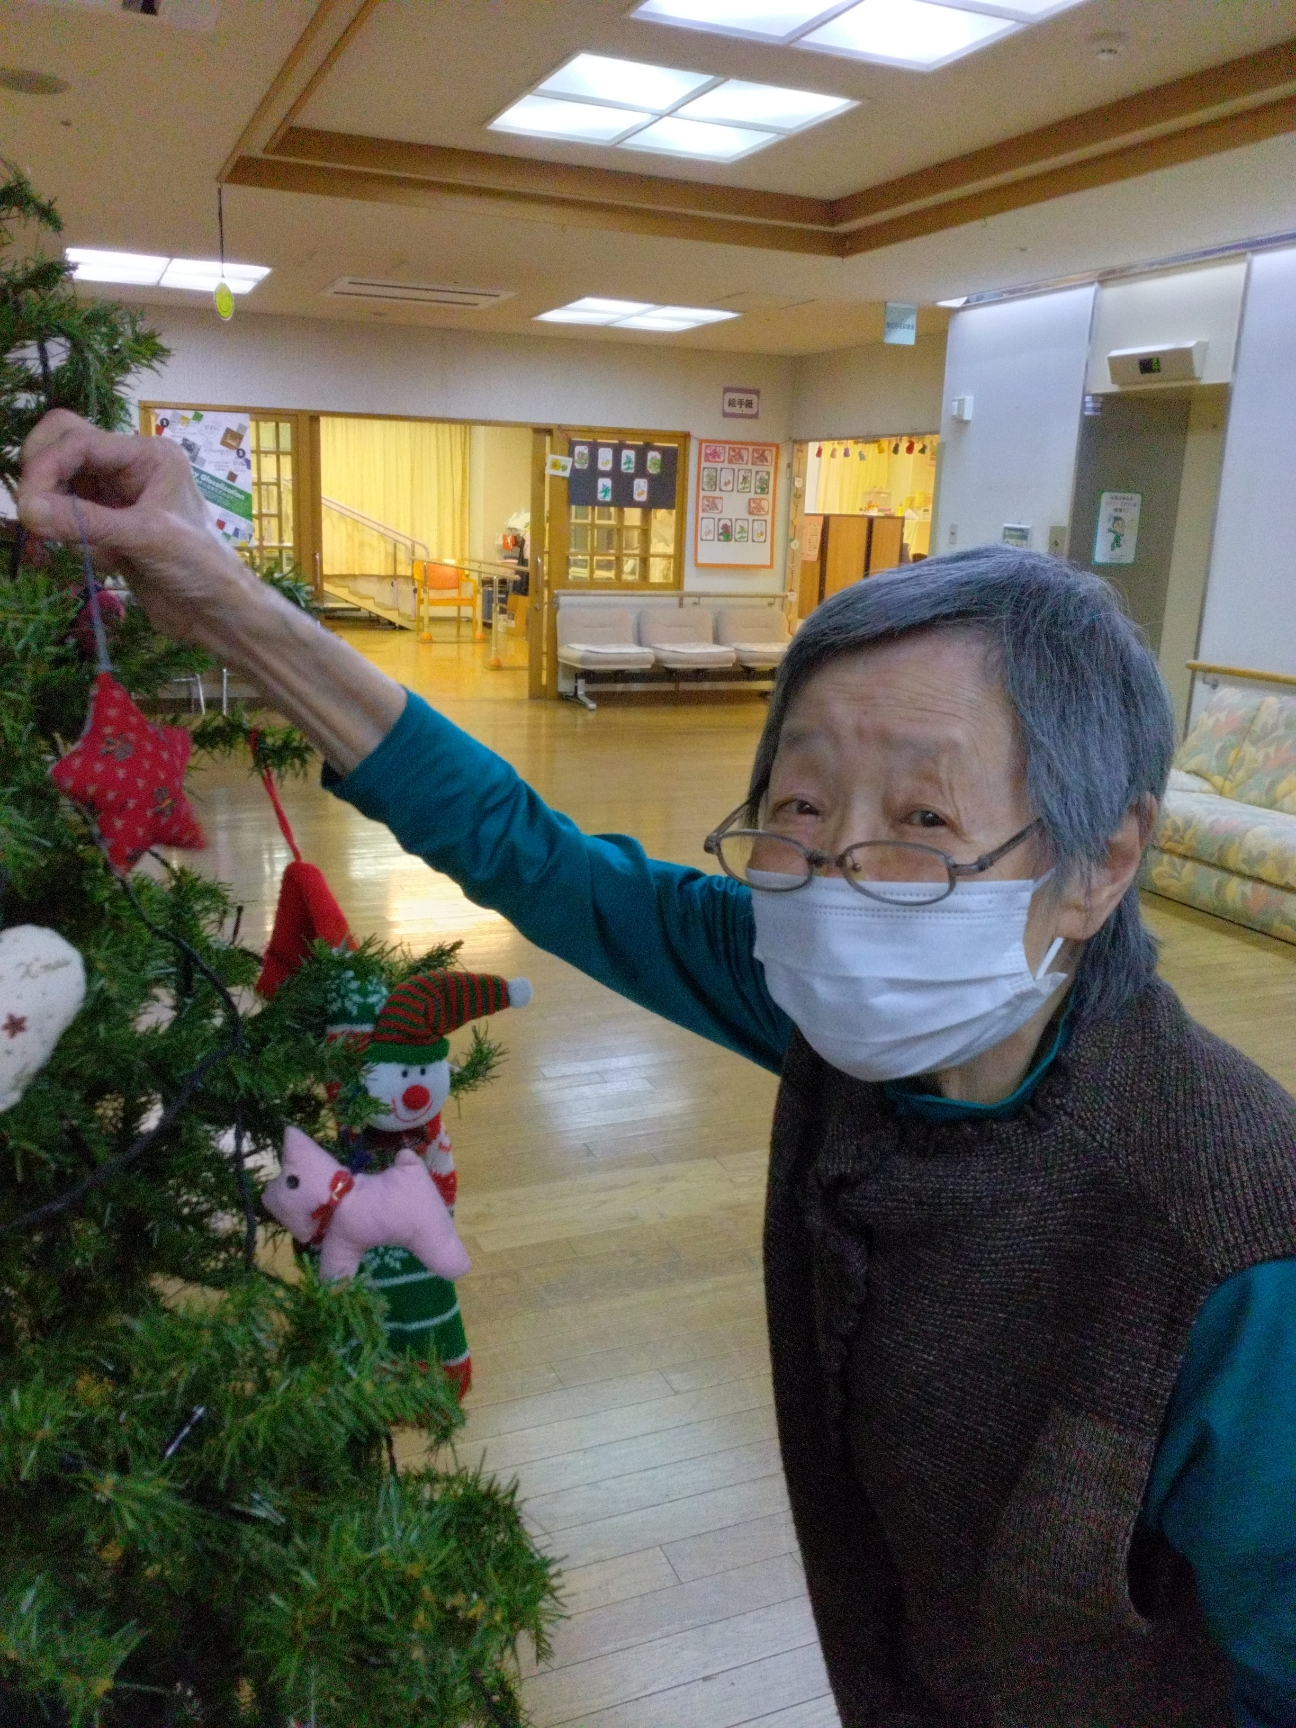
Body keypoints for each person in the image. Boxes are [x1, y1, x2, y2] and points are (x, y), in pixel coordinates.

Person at [19, 410, 1296, 1728]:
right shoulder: (834, 1016)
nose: (837, 882)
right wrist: (218, 594)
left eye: (924, 817)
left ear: (1100, 863)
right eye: (799, 807)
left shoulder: (1236, 1236)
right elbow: (532, 853)